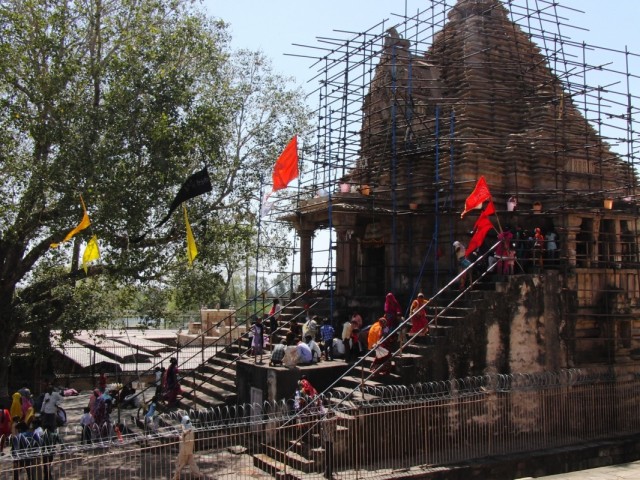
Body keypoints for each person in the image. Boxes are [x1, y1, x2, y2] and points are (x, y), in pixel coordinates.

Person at [172, 415, 201, 480]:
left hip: (184, 451)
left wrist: (179, 436)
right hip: (190, 450)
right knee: (192, 463)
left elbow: (183, 439)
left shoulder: (186, 431)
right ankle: (197, 474)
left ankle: (176, 477)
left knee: (179, 464)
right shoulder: (191, 429)